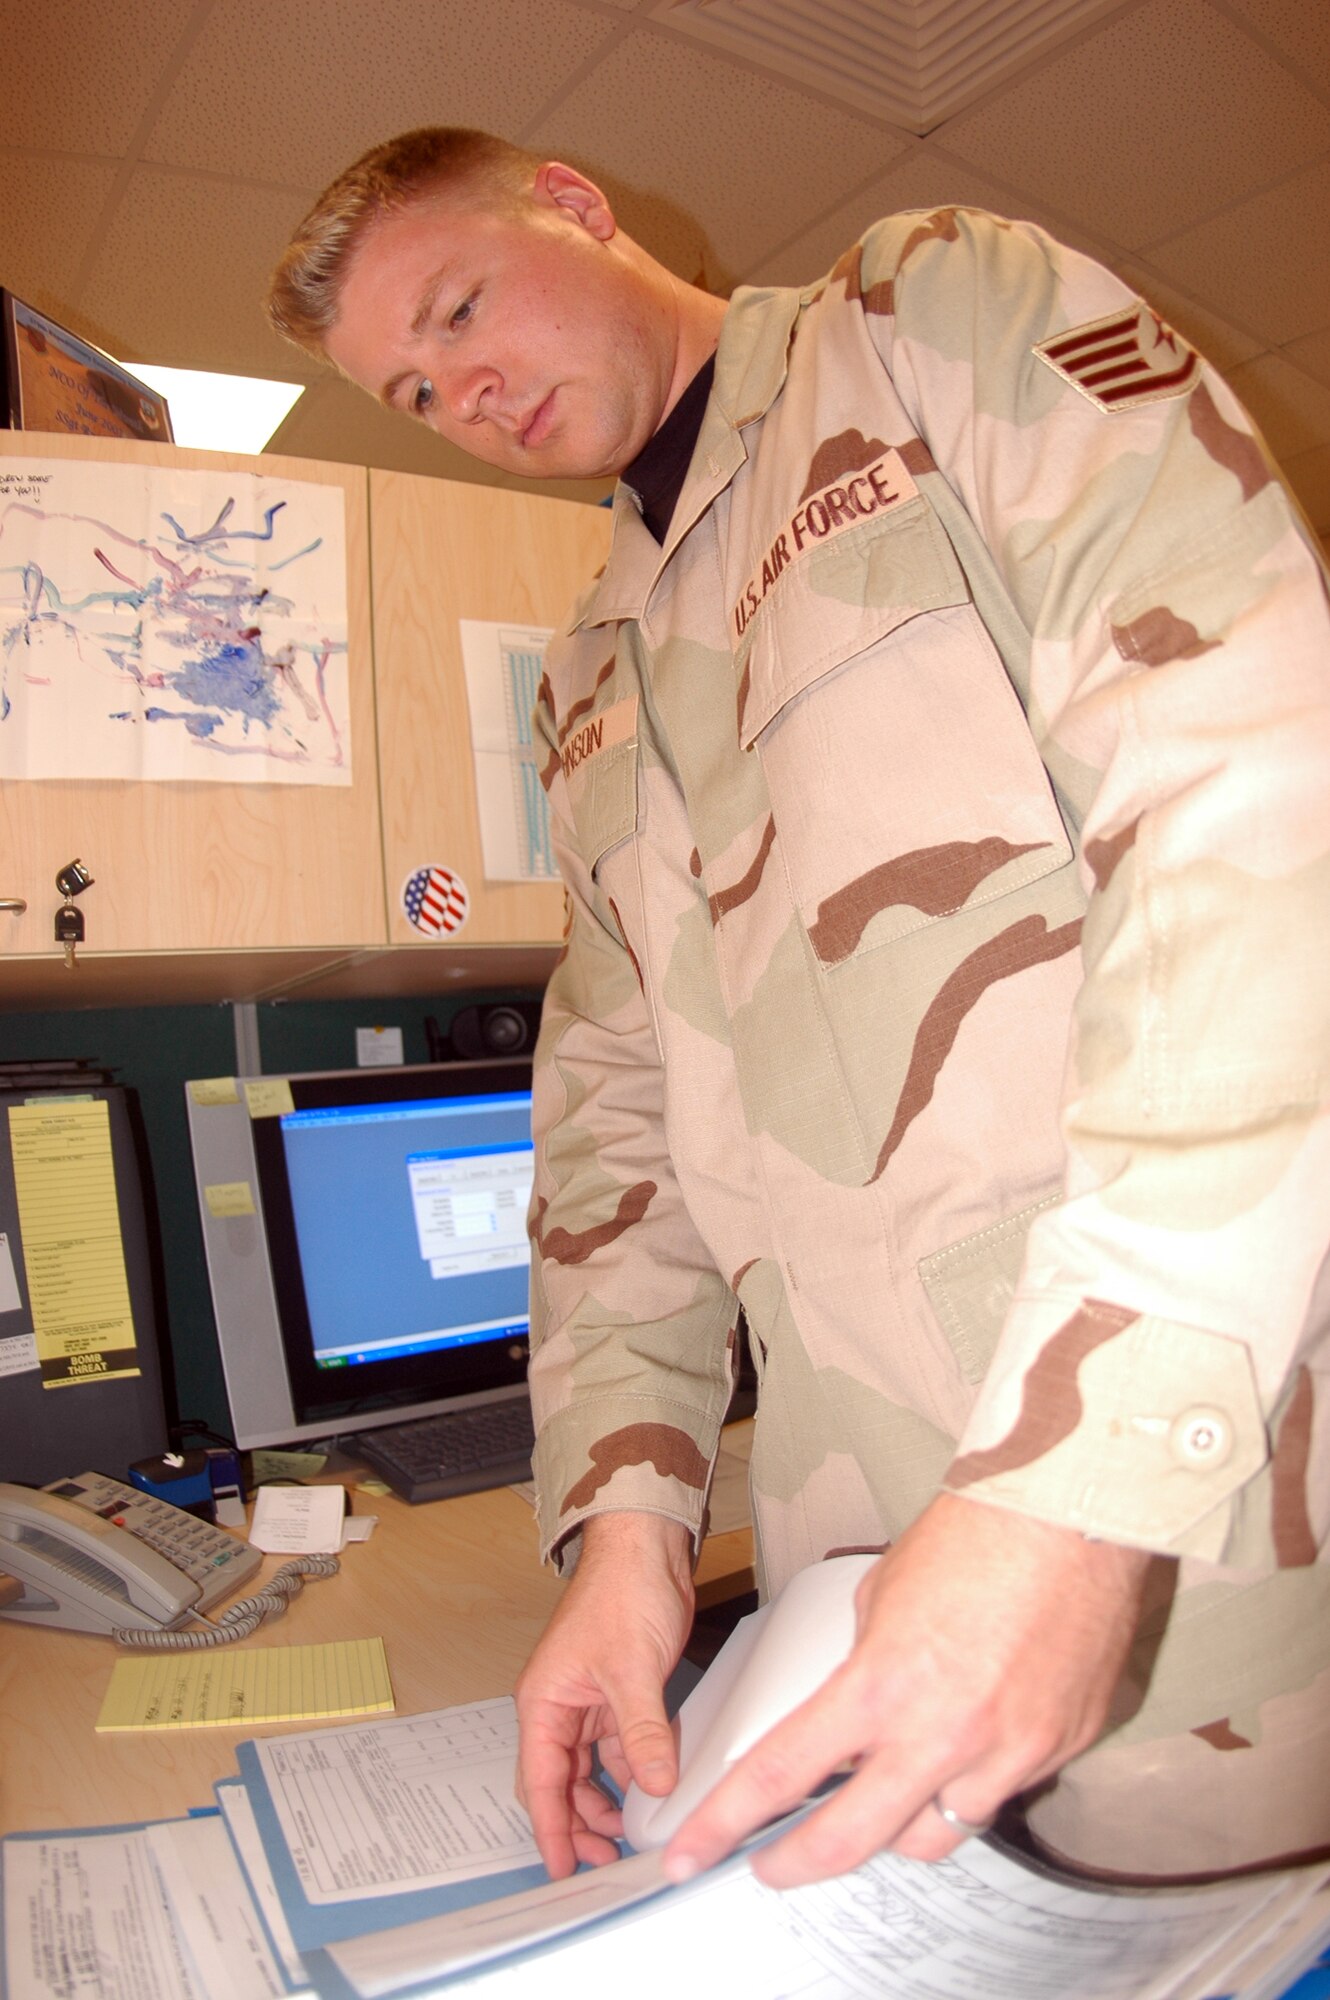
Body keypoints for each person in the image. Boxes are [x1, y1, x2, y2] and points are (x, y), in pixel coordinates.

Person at [268, 128, 1330, 1891]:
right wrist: (624, 1531)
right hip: (858, 1559)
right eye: (414, 388)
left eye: (460, 308)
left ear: (577, 204)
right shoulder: (590, 671)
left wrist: (1081, 1486)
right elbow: (611, 1114)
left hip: (1200, 1498)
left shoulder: (926, 318)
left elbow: (1257, 799)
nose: (463, 390)